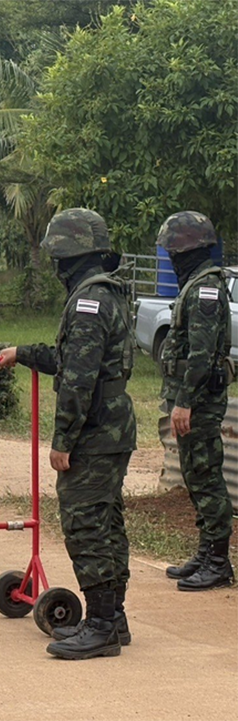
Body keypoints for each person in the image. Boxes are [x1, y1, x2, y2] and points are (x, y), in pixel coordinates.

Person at [0, 208, 135, 660]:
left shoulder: (86, 302)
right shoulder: (107, 294)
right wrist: (23, 353)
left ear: (66, 256)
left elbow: (78, 380)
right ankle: (112, 617)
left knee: (87, 526)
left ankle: (99, 627)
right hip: (113, 428)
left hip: (94, 432)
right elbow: (70, 358)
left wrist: (63, 440)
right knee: (107, 522)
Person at [157, 211, 234, 591]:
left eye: (174, 249)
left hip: (200, 400)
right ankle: (207, 552)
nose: (171, 257)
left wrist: (185, 401)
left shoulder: (205, 288)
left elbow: (202, 354)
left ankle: (219, 560)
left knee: (205, 475)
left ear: (187, 249)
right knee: (194, 473)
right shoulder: (197, 284)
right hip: (193, 398)